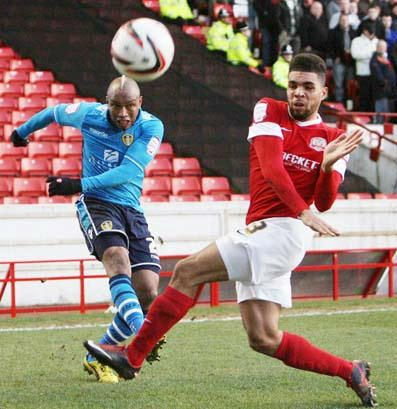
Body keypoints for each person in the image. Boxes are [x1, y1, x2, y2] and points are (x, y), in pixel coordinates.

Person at [84, 54, 377, 408]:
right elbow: (271, 168)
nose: (298, 93)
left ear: (323, 93)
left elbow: (325, 202)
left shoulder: (333, 138)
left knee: (188, 271)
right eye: (293, 85)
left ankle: (131, 359)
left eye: (308, 87)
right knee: (264, 338)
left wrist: (327, 167)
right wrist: (303, 209)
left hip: (284, 233)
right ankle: (351, 372)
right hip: (268, 229)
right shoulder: (269, 110)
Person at [11, 76, 166, 383]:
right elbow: (54, 112)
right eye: (116, 106)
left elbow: (126, 172)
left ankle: (98, 353)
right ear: (106, 103)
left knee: (147, 289)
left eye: (129, 107)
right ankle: (142, 333)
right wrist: (21, 132)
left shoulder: (151, 127)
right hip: (97, 204)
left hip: (132, 209)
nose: (123, 114)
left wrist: (75, 183)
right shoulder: (90, 115)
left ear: (140, 103)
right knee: (117, 260)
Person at [327, 13, 357, 102]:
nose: (344, 22)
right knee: (338, 83)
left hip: (351, 61)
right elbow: (329, 47)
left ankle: (349, 103)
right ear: (339, 21)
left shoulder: (354, 32)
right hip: (339, 60)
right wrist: (335, 57)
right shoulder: (333, 32)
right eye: (342, 20)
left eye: (346, 20)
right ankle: (338, 102)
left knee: (350, 84)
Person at [351, 21, 378, 111]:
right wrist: (370, 55)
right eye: (369, 31)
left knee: (373, 96)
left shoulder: (376, 41)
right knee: (364, 95)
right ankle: (363, 115)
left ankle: (373, 116)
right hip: (363, 72)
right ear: (364, 31)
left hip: (375, 72)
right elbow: (355, 54)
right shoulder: (356, 41)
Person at [370, 39, 397, 122]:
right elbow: (378, 75)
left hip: (391, 91)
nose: (382, 48)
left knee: (388, 112)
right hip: (381, 90)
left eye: (383, 46)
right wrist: (385, 84)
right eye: (380, 46)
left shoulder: (389, 58)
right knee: (381, 112)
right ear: (377, 48)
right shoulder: (374, 59)